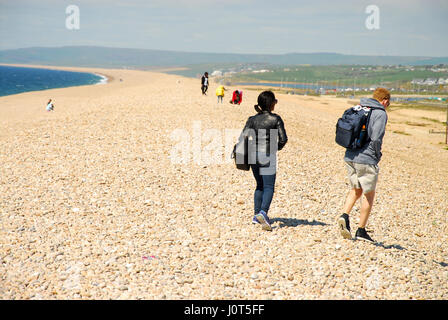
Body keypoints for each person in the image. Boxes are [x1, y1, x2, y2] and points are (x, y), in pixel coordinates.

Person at [338, 87, 390, 243]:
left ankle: (344, 215)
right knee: (368, 193)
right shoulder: (380, 113)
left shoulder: (360, 108)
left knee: (355, 189)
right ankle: (361, 230)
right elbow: (376, 138)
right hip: (366, 158)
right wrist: (377, 155)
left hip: (350, 155)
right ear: (385, 100)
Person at [236, 91, 288, 231]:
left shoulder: (252, 119)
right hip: (267, 154)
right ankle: (263, 213)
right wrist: (273, 148)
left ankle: (256, 215)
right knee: (269, 187)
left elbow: (243, 137)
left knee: (259, 185)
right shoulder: (275, 119)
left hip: (252, 154)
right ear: (271, 104)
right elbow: (283, 140)